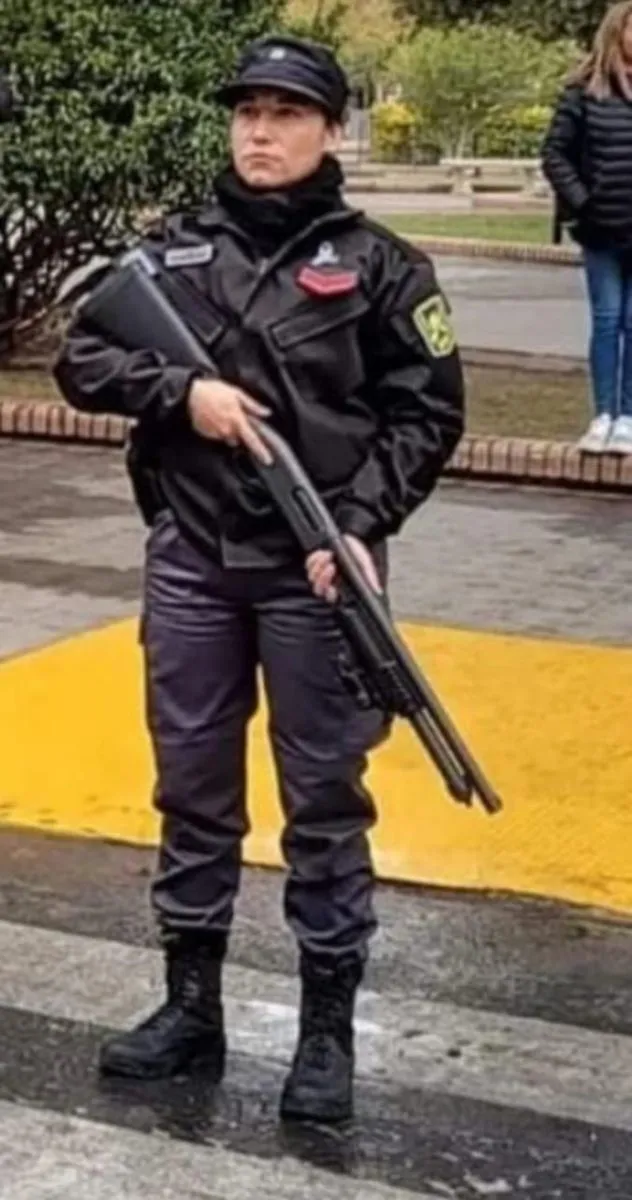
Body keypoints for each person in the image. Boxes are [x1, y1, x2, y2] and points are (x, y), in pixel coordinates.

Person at [53, 34, 464, 1124]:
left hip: (314, 569)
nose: (260, 133)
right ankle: (191, 1007)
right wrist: (181, 395)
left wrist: (362, 523)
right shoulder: (172, 249)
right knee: (192, 787)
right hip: (192, 559)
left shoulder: (382, 266)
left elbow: (427, 413)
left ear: (329, 129)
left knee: (323, 799)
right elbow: (80, 358)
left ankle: (325, 1031)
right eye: (247, 113)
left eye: (285, 114)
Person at [543, 1, 632, 455]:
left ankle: (629, 417)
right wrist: (583, 202)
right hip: (601, 230)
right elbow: (555, 154)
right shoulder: (583, 91)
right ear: (617, 32)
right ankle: (603, 415)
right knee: (607, 319)